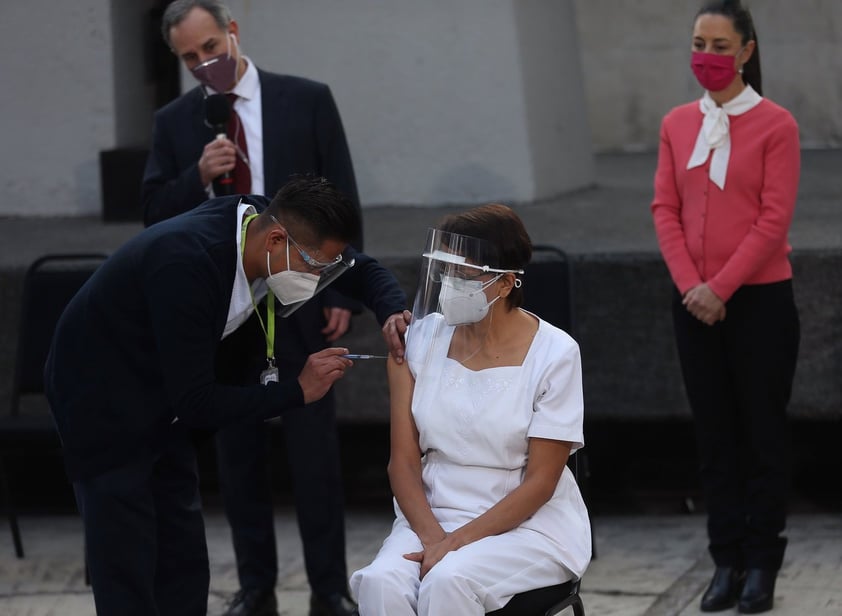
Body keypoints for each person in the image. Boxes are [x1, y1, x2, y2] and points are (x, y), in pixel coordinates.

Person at [44, 177, 409, 616]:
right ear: (276, 240)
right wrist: (297, 392)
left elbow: (361, 269)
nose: (316, 281)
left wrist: (391, 310)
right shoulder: (187, 265)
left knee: (183, 557)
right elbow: (196, 403)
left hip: (167, 404)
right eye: (315, 267)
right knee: (127, 559)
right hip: (102, 399)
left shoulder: (265, 222)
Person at [141, 2, 373, 614]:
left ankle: (329, 589)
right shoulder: (176, 122)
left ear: (233, 33)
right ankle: (256, 589)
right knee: (237, 455)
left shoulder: (305, 98)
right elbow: (152, 219)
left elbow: (341, 196)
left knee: (314, 455)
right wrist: (196, 174)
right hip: (225, 308)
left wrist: (345, 290)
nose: (204, 64)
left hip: (304, 296)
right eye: (189, 58)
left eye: (211, 48)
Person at [349, 204, 592, 615]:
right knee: (380, 583)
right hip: (431, 513)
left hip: (528, 524)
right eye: (445, 271)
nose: (450, 284)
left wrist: (454, 545)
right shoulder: (419, 339)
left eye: (464, 274)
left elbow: (541, 483)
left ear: (506, 282)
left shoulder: (555, 354)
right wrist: (433, 538)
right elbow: (403, 464)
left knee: (449, 581)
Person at [651, 1, 800, 613]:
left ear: (746, 51)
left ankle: (762, 564)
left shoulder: (777, 125)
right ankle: (725, 560)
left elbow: (773, 220)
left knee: (761, 436)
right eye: (698, 43)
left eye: (719, 45)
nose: (706, 56)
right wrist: (694, 286)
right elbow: (665, 209)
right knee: (714, 441)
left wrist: (722, 287)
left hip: (759, 302)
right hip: (693, 303)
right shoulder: (677, 123)